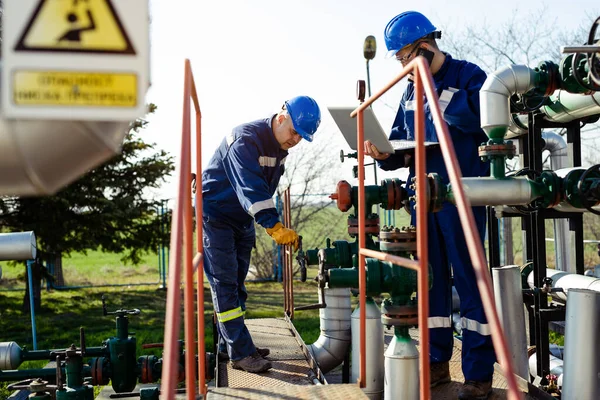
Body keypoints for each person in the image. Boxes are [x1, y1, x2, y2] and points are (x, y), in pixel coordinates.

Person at [365, 11, 495, 399]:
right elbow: (398, 144)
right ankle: (438, 360)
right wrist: (379, 152)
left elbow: (477, 118)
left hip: (461, 195)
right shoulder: (410, 91)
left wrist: (436, 95)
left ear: (424, 46)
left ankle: (477, 373)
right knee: (432, 283)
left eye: (404, 57)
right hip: (423, 198)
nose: (402, 67)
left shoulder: (469, 76)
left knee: (471, 285)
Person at [201, 95, 321, 373]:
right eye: (294, 132)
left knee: (237, 287)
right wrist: (273, 224)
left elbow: (262, 192)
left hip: (241, 219)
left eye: (301, 137)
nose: (295, 140)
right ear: (282, 117)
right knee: (225, 285)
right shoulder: (244, 139)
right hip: (216, 217)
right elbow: (251, 186)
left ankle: (230, 345)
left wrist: (268, 221)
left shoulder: (278, 148)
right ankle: (241, 354)